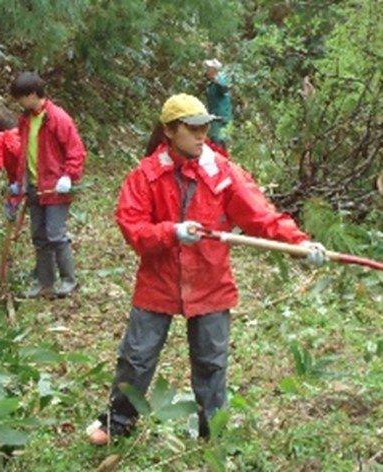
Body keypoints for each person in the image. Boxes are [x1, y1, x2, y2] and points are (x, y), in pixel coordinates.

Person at [88, 93, 327, 445]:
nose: (203, 136)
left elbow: (261, 215)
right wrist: (171, 232)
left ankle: (212, 432)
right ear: (170, 131)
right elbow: (133, 226)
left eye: (205, 128)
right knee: (136, 358)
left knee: (211, 364)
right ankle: (117, 421)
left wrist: (300, 244)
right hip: (159, 282)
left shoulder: (223, 174)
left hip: (209, 281)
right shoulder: (147, 176)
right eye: (194, 128)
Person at [6, 72, 86, 298]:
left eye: (21, 98)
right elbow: (24, 153)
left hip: (55, 187)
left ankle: (69, 280)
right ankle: (45, 282)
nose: (19, 103)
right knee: (39, 236)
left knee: (55, 235)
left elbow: (76, 151)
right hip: (34, 186)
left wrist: (69, 176)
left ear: (32, 94)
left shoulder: (58, 118)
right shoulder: (26, 119)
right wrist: (19, 183)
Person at [204, 58, 233, 151]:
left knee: (219, 143)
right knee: (214, 142)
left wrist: (216, 80)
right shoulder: (211, 84)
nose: (207, 71)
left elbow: (224, 89)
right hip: (214, 119)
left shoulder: (221, 80)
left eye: (209, 69)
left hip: (221, 119)